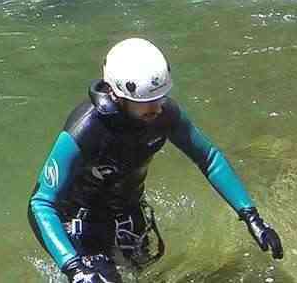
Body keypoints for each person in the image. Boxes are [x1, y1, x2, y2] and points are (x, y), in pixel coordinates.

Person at [28, 38, 284, 282]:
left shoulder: (163, 114)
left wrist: (252, 218)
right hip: (80, 222)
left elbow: (209, 158)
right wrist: (74, 268)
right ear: (118, 95)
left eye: (160, 98)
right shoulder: (87, 129)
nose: (157, 108)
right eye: (147, 102)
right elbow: (40, 203)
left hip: (129, 213)